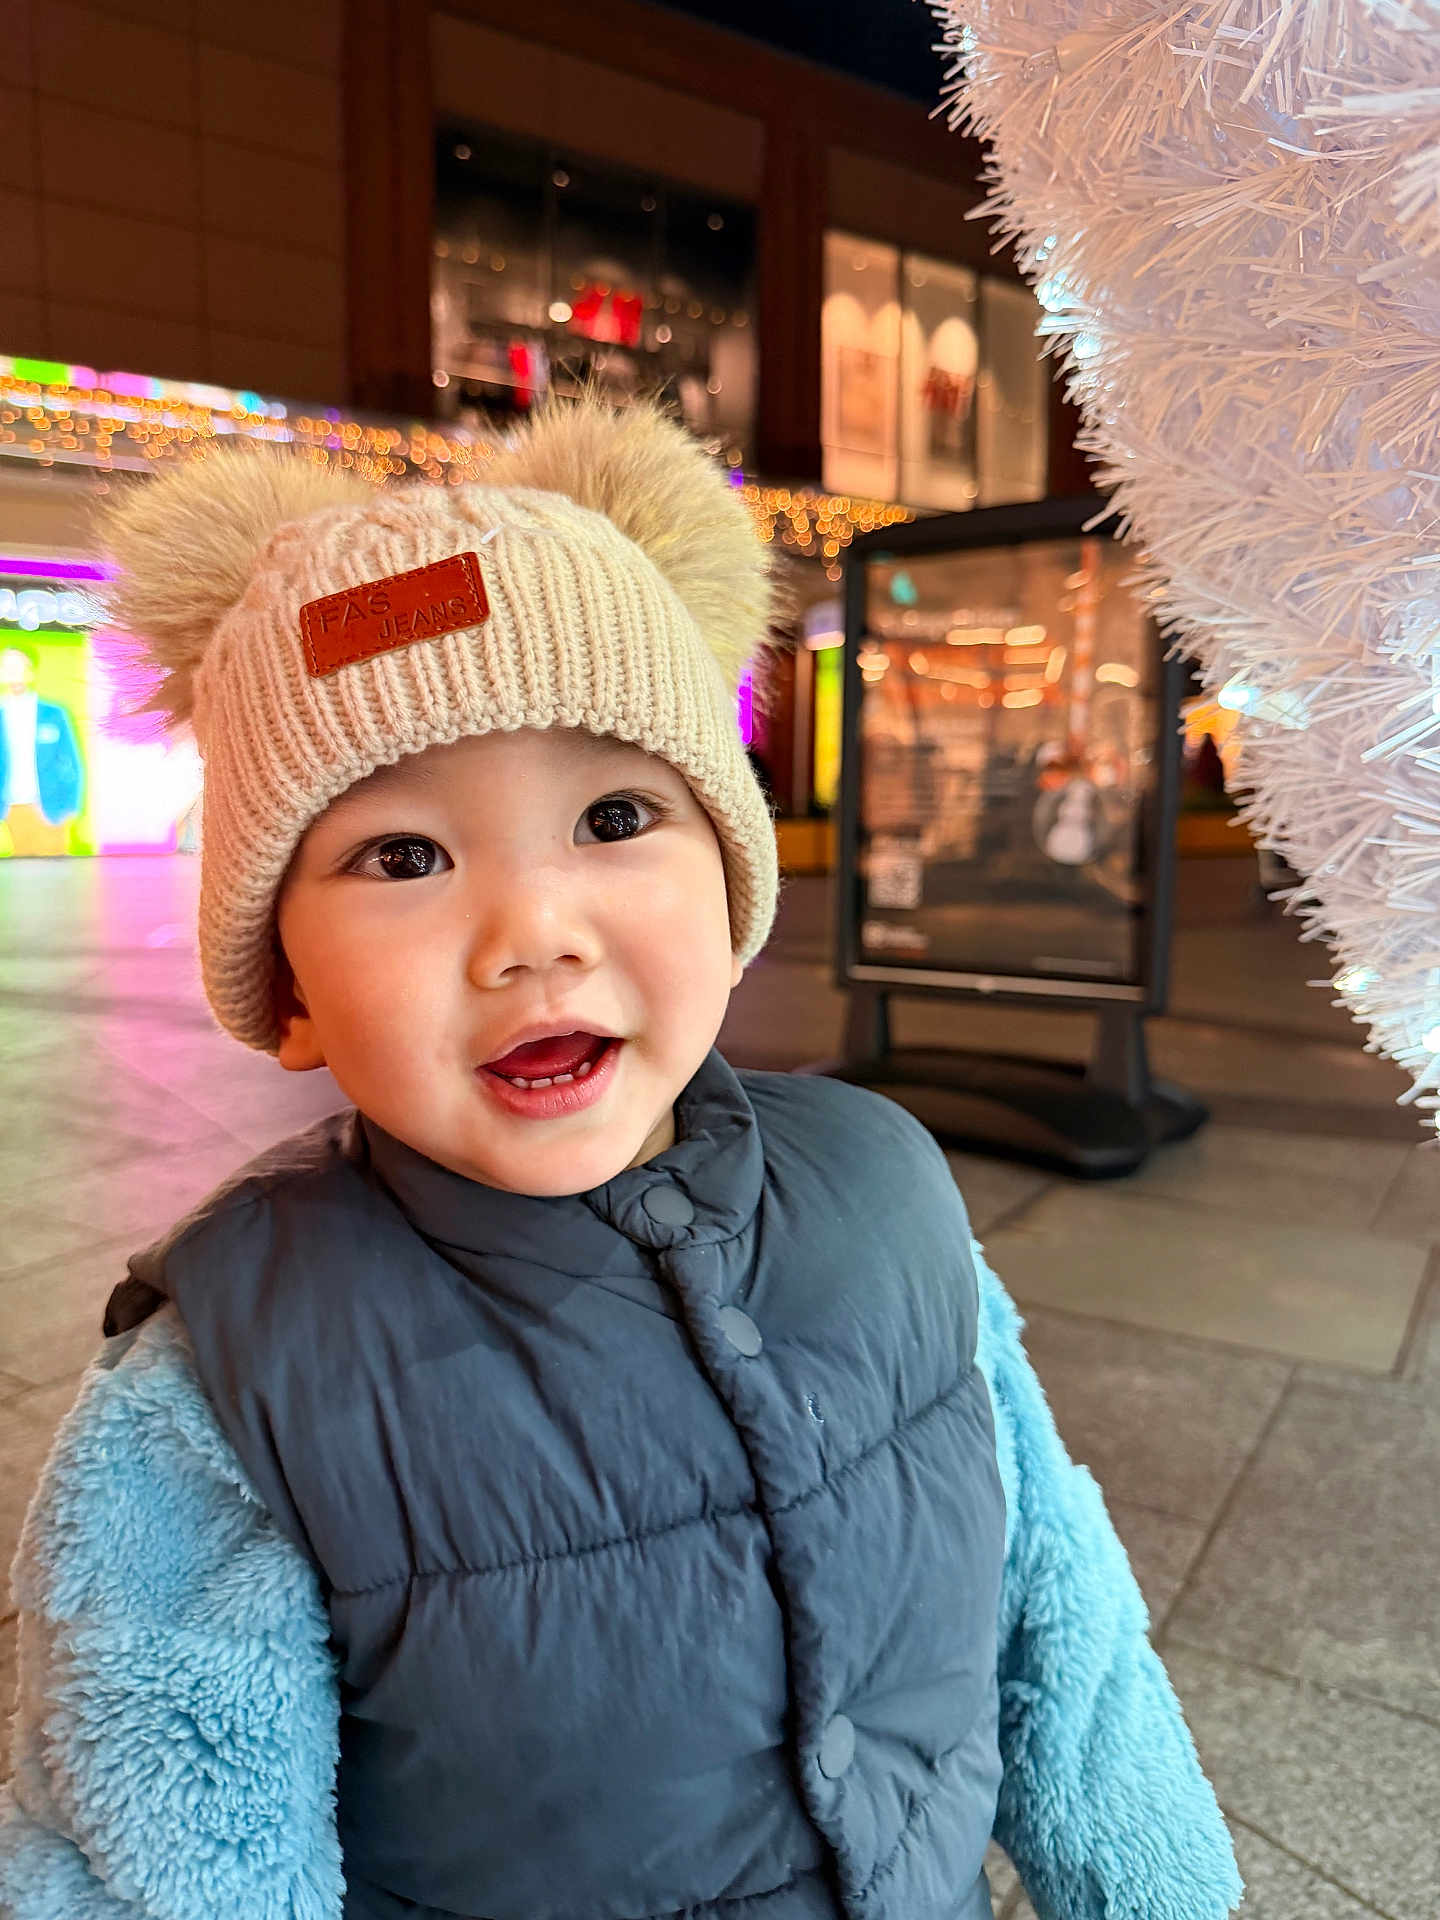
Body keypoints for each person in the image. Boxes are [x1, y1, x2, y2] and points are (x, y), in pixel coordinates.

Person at [0, 400, 1241, 1920]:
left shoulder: (888, 1189)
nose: (534, 933)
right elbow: (156, 1855)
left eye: (613, 815)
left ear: (727, 880)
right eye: (403, 856)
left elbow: (1066, 1622)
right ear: (293, 986)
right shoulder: (233, 1377)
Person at [0, 640, 84, 856]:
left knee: (56, 877)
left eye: (18, 665)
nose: (12, 671)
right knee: (20, 879)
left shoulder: (53, 713)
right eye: (7, 665)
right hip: (11, 808)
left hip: (49, 806)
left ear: (30, 671)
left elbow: (72, 762)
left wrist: (70, 807)